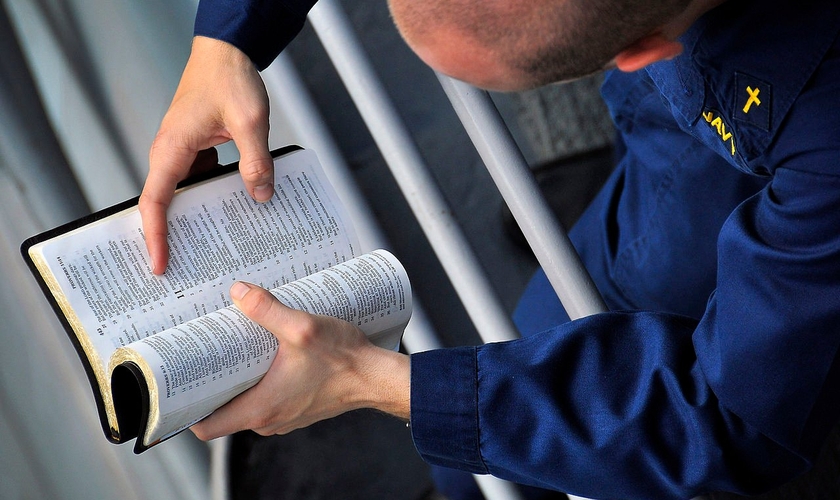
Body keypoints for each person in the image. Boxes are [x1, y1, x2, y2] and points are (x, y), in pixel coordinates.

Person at [138, 0, 840, 498]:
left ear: (643, 54)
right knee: (516, 372)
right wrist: (224, 43)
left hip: (775, 146)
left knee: (568, 355)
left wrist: (374, 381)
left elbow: (733, 417)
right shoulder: (649, 32)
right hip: (680, 107)